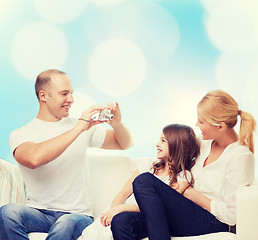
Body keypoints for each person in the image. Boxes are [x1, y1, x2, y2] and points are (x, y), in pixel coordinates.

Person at [0, 69, 134, 240]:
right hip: (39, 213)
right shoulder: (21, 134)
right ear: (43, 96)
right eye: (64, 93)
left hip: (78, 216)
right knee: (8, 212)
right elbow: (34, 158)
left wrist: (117, 124)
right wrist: (78, 128)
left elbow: (124, 143)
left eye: (71, 93)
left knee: (65, 225)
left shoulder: (83, 127)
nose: (71, 99)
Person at [111, 89, 256, 240]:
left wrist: (193, 195)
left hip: (213, 221)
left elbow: (231, 215)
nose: (196, 125)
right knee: (121, 222)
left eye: (201, 122)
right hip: (184, 211)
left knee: (144, 181)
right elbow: (177, 151)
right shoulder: (203, 142)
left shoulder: (241, 156)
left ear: (220, 126)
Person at [81, 123, 200, 240]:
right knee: (101, 230)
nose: (157, 144)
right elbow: (122, 194)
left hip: (143, 217)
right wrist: (114, 210)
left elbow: (158, 207)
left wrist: (121, 209)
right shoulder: (148, 165)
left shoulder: (183, 177)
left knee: (122, 222)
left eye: (163, 141)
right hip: (121, 211)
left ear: (177, 145)